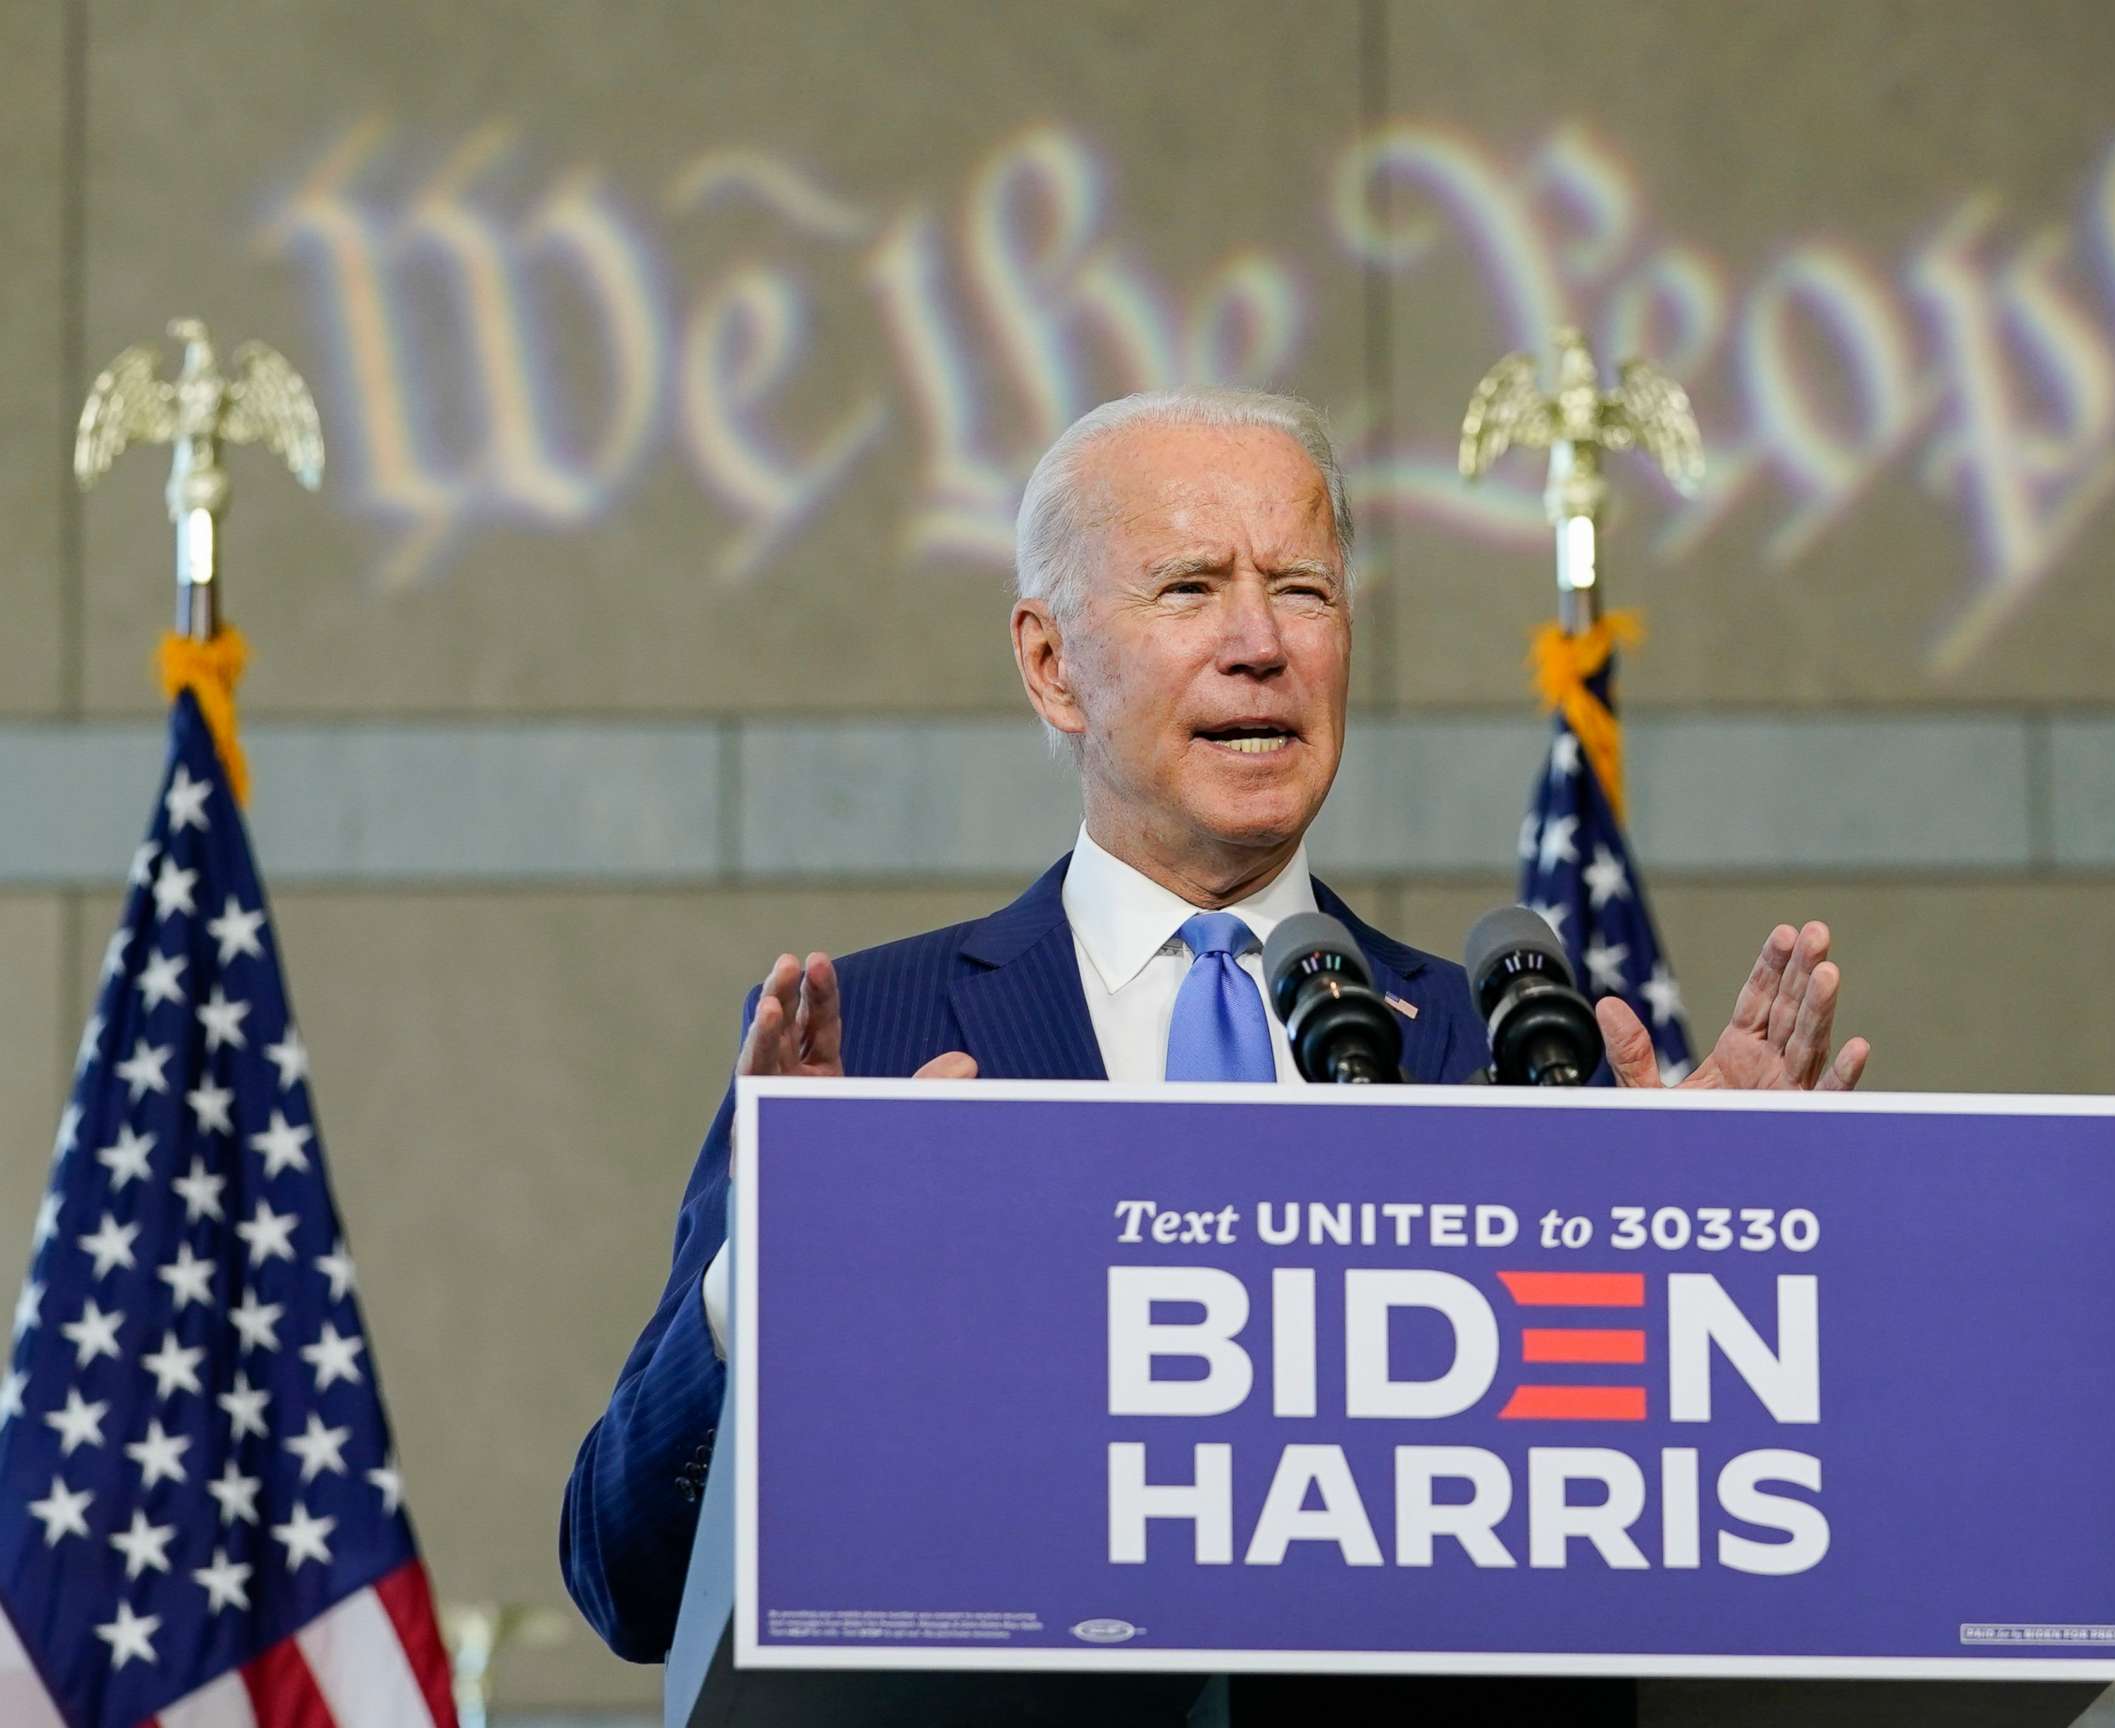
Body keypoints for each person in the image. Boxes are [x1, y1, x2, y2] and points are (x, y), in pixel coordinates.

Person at [558, 388, 1871, 1677]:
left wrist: (1708, 1250)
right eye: (1190, 587)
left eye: (1303, 587)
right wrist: (775, 1267)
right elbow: (632, 1582)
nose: (1263, 642)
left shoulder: (1507, 1049)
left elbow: (1630, 1545)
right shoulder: (870, 1042)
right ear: (1051, 662)